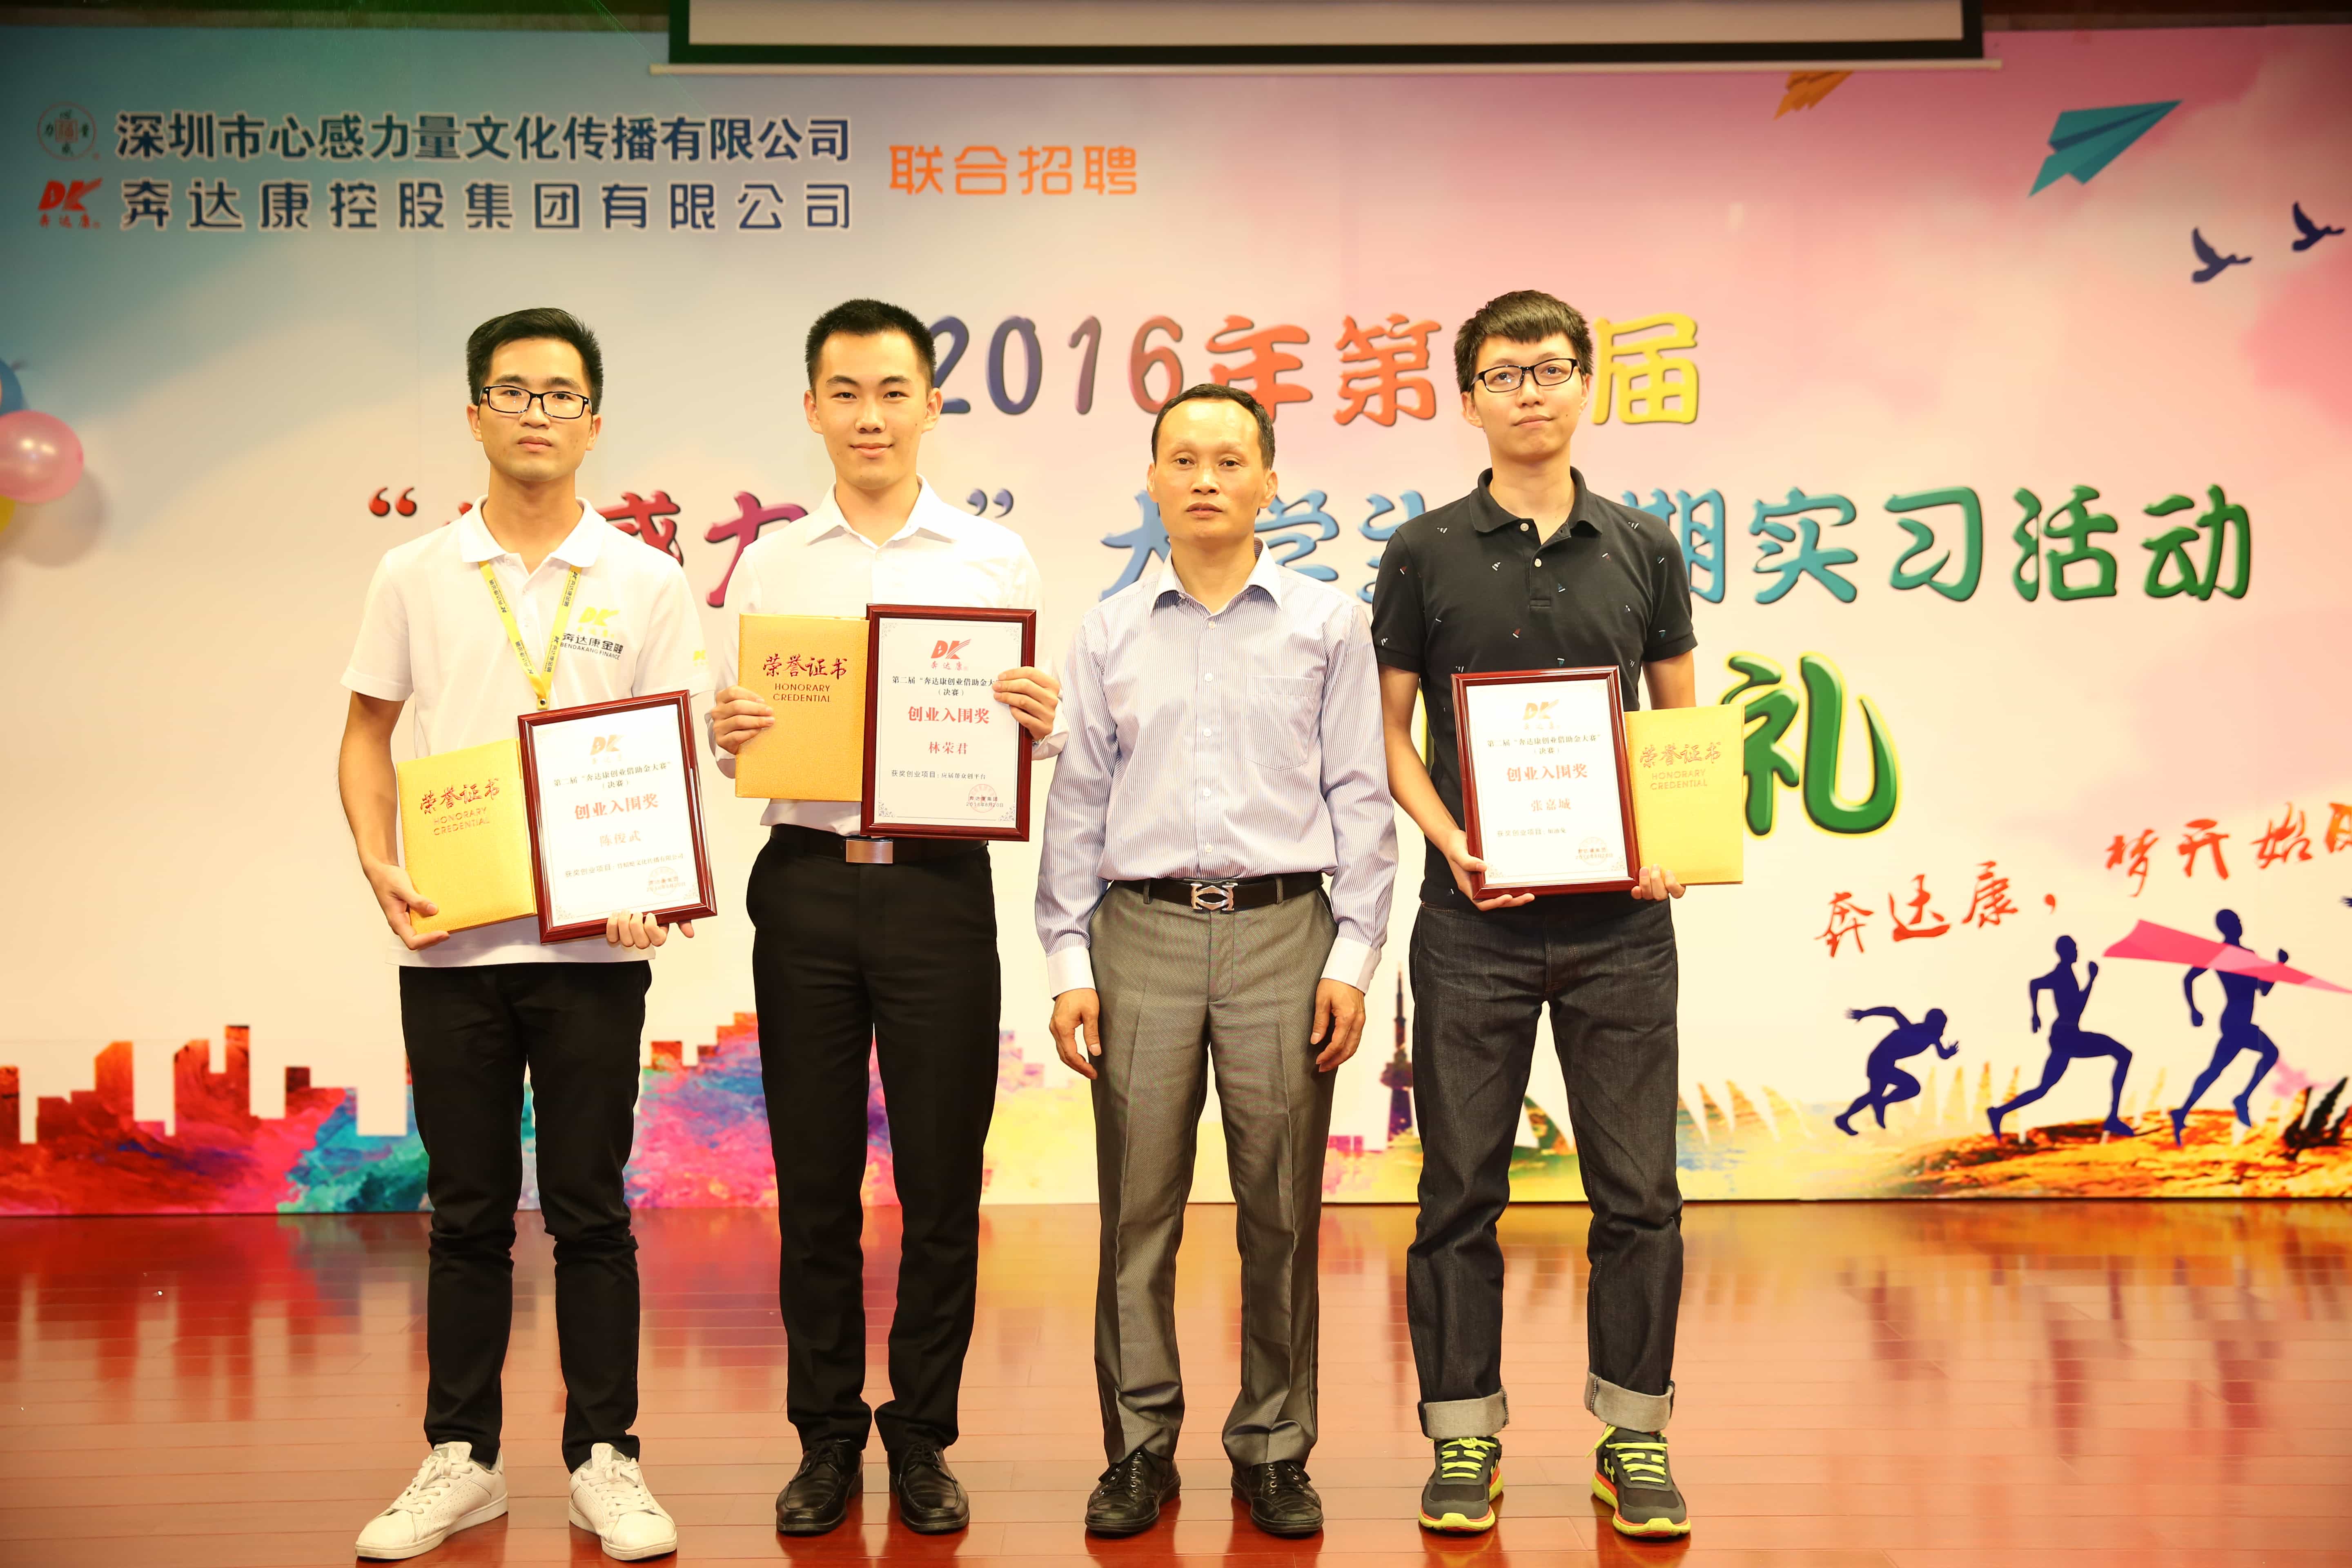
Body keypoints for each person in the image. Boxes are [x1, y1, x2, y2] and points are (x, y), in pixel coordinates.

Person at [338, 307, 702, 1561]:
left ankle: (607, 1457)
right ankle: (464, 1458)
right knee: (468, 1213)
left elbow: (667, 754)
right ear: (475, 414)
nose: (537, 412)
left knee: (593, 1209)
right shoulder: (416, 573)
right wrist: (377, 861)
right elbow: (365, 732)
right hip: (455, 947)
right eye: (514, 391)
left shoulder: (645, 579)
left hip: (595, 953)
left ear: (594, 422)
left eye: (560, 394)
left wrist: (655, 884)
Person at [706, 298, 1062, 1537]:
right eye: (846, 392)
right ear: (813, 408)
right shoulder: (772, 563)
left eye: (893, 391)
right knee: (813, 1180)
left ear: (931, 405)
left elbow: (1027, 738)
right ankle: (823, 1437)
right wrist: (727, 731)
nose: (871, 415)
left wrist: (1037, 721)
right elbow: (739, 733)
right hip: (805, 881)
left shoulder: (990, 559)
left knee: (940, 1180)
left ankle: (921, 1435)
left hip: (937, 889)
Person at [1036, 383, 1397, 1539]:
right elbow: (1078, 799)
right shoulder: (1107, 631)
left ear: (1269, 483)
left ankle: (1275, 1448)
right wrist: (1066, 956)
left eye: (1230, 460)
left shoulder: (1327, 624)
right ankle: (1138, 1448)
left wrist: (1352, 953)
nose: (1205, 479)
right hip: (1137, 933)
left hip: (1285, 931)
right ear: (1151, 480)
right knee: (1135, 1212)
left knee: (1279, 1210)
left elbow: (1361, 794)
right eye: (1183, 459)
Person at [1368, 290, 1696, 1540]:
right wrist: (1452, 844)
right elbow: (1391, 734)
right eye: (1506, 373)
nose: (1532, 391)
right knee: (1459, 1188)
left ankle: (1635, 1435)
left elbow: (1678, 725)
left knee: (1639, 1190)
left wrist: (1671, 841)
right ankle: (1464, 1436)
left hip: (1621, 930)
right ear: (1469, 400)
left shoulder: (1644, 545)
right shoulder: (1422, 551)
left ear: (1585, 386)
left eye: (1553, 368)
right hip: (1474, 924)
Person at [1989, 937, 2136, 1140]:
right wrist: (2092, 980)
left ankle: (1999, 1112)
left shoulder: (2064, 973)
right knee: (2124, 1054)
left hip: (2065, 1035)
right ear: (2064, 952)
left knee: (2043, 1088)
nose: (2077, 952)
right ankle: (2112, 1118)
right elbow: (2076, 1007)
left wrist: (2035, 1014)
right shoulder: (2063, 975)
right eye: (2073, 949)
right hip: (2068, 1036)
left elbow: (2035, 984)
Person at [2170, 908, 2286, 1144]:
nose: (2240, 925)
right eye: (2235, 922)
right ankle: (2241, 1099)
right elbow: (2188, 978)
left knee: (2215, 1070)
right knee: (2269, 1053)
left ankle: (2184, 1111)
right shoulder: (2218, 954)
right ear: (2226, 927)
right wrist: (2194, 1009)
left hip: (2240, 1019)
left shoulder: (2249, 955)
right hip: (2235, 1019)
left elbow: (2263, 990)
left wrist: (2279, 966)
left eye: (2240, 921)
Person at [1836, 1007, 1960, 1134]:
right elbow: (1893, 1011)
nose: (1943, 1029)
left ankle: (1847, 1117)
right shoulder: (1912, 1030)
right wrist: (1865, 1013)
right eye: (1942, 1024)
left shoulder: (1932, 1038)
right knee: (1908, 1088)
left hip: (1885, 1063)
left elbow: (1942, 1054)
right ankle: (1877, 1104)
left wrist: (1949, 1053)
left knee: (1875, 1095)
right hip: (1879, 1061)